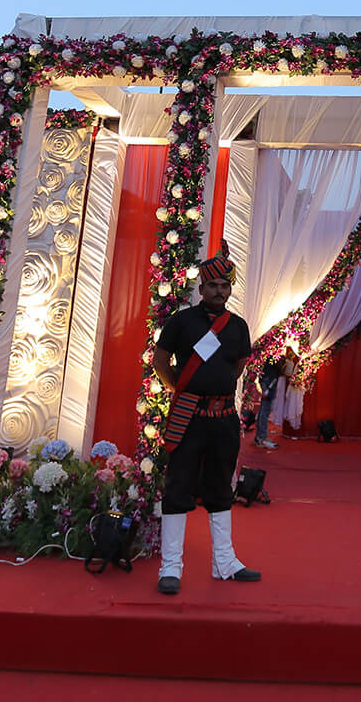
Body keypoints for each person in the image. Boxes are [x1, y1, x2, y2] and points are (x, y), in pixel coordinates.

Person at [151, 241, 262, 595]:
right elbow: (160, 361)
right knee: (178, 486)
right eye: (213, 286)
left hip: (224, 419)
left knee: (220, 487)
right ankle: (171, 567)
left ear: (230, 288)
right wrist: (178, 390)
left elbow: (239, 364)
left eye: (225, 286)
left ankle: (224, 563)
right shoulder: (181, 321)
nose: (219, 291)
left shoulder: (238, 326)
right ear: (201, 288)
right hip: (189, 417)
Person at [253, 345, 297, 450]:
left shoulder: (270, 346)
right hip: (269, 380)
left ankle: (260, 437)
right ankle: (261, 438)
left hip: (268, 378)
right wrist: (286, 362)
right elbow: (278, 365)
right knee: (265, 409)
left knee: (265, 409)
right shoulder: (273, 347)